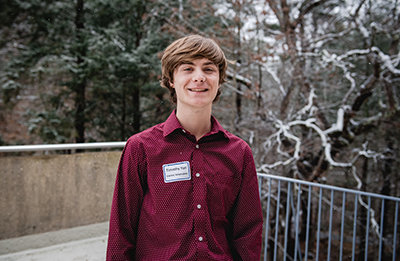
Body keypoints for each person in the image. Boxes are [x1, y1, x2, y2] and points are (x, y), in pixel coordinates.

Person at [106, 35, 263, 260]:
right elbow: (121, 232)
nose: (199, 78)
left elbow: (247, 234)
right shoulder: (141, 148)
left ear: (219, 80)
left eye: (208, 69)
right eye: (188, 69)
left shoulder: (238, 152)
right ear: (171, 79)